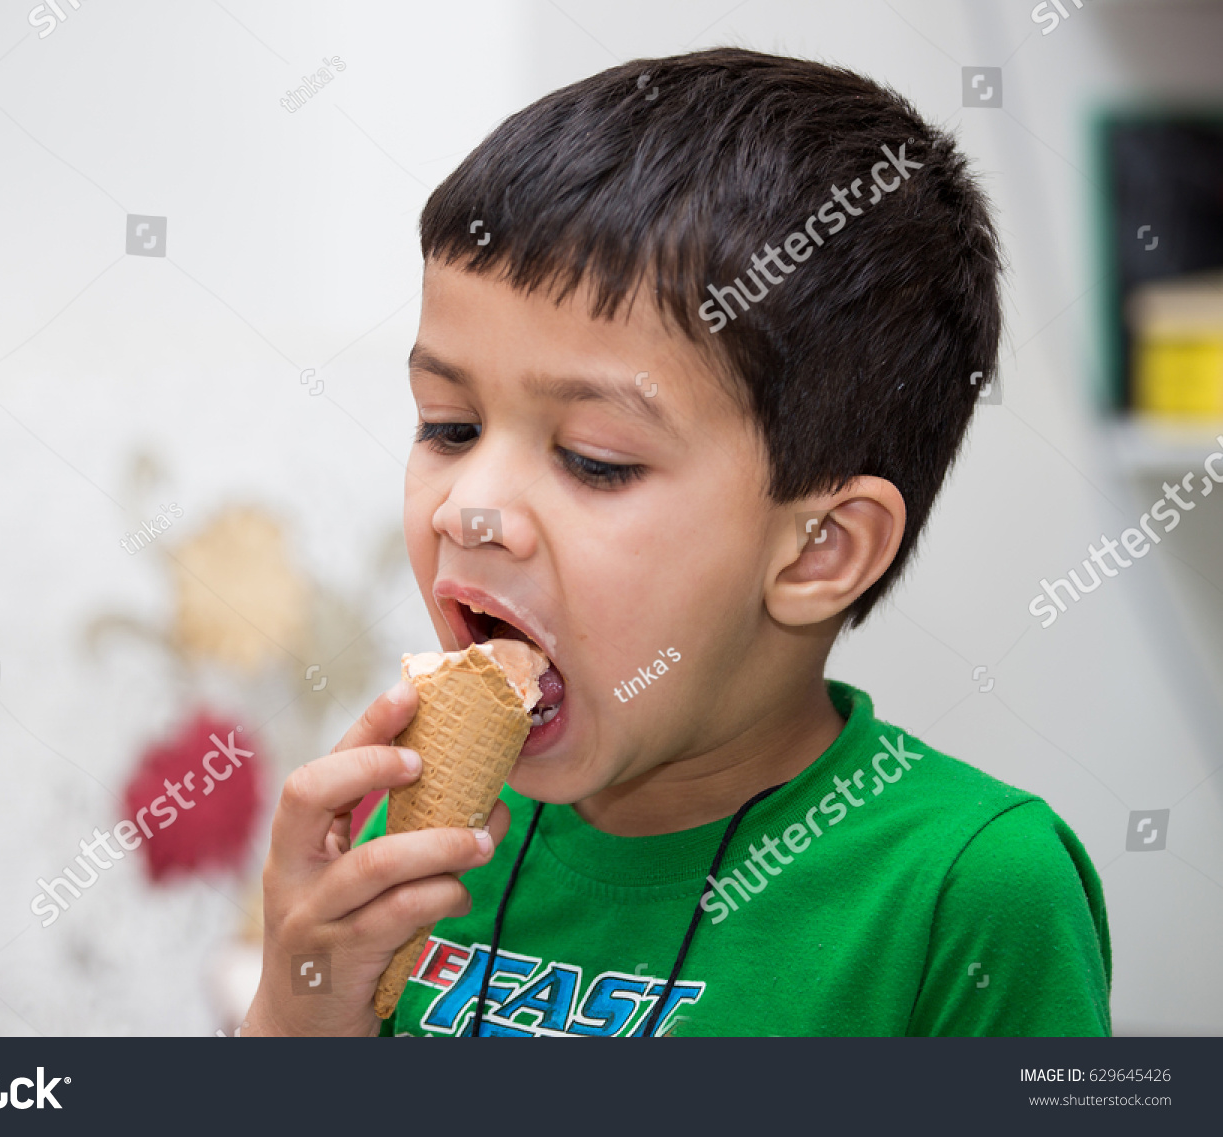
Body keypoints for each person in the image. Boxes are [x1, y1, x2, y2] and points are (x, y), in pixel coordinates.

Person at [242, 47, 1110, 1037]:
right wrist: (294, 1008)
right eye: (449, 427)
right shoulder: (410, 847)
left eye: (594, 459)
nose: (467, 509)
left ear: (820, 549)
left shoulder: (970, 888)